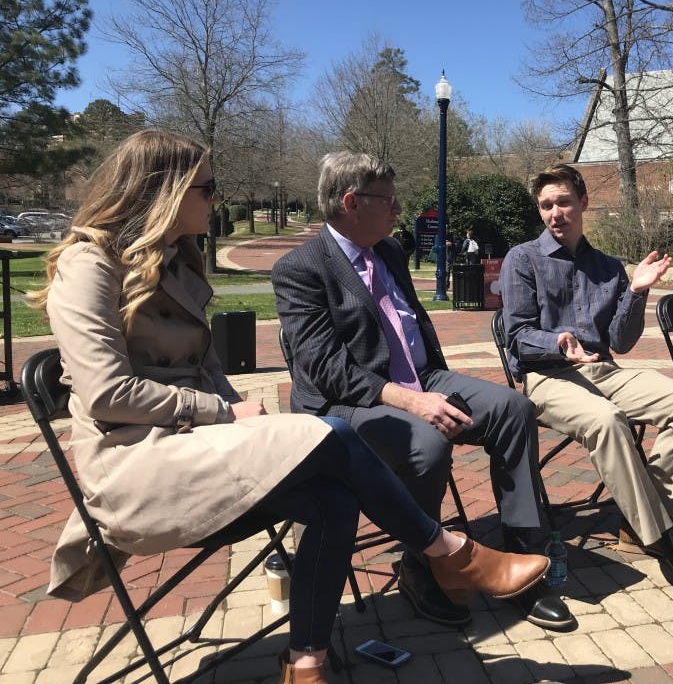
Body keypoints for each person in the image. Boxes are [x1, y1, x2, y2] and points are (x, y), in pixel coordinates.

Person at [29, 130, 549, 684]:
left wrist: (229, 412)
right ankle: (448, 553)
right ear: (165, 192)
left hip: (203, 447)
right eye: (208, 188)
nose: (217, 199)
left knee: (332, 500)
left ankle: (306, 663)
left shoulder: (176, 262)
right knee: (331, 435)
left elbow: (204, 370)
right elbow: (110, 394)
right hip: (136, 463)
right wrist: (225, 414)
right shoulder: (88, 264)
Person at [271, 151, 575, 631]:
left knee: (515, 409)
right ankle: (420, 562)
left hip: (423, 377)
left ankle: (523, 561)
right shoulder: (302, 268)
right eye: (388, 200)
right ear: (351, 202)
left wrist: (429, 388)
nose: (398, 209)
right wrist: (411, 400)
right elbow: (326, 369)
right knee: (426, 445)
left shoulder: (389, 250)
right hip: (347, 404)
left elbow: (411, 328)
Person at [500, 163, 673, 605]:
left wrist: (637, 291)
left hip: (604, 370)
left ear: (583, 203)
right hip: (547, 376)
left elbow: (620, 342)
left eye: (564, 202)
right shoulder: (523, 259)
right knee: (608, 421)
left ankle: (641, 516)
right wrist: (558, 341)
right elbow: (516, 335)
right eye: (546, 205)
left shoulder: (606, 267)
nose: (555, 213)